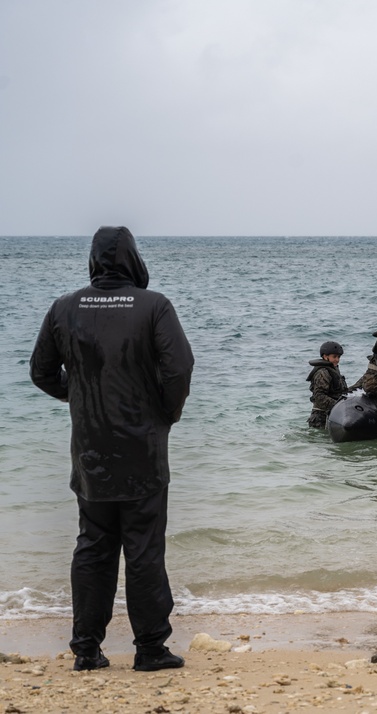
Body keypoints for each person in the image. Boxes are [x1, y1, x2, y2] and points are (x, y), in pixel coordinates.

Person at [29, 226, 195, 672]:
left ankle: (85, 648)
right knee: (143, 549)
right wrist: (165, 414)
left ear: (94, 260)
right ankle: (150, 649)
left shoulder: (64, 308)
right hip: (142, 448)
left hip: (90, 451)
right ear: (133, 259)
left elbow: (41, 371)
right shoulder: (153, 305)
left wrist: (79, 396)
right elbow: (179, 368)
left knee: (93, 546)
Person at [307, 341, 349, 428]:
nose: (337, 360)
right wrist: (339, 405)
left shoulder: (332, 370)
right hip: (321, 418)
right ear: (325, 356)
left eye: (339, 357)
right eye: (334, 357)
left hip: (331, 414)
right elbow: (319, 396)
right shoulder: (323, 373)